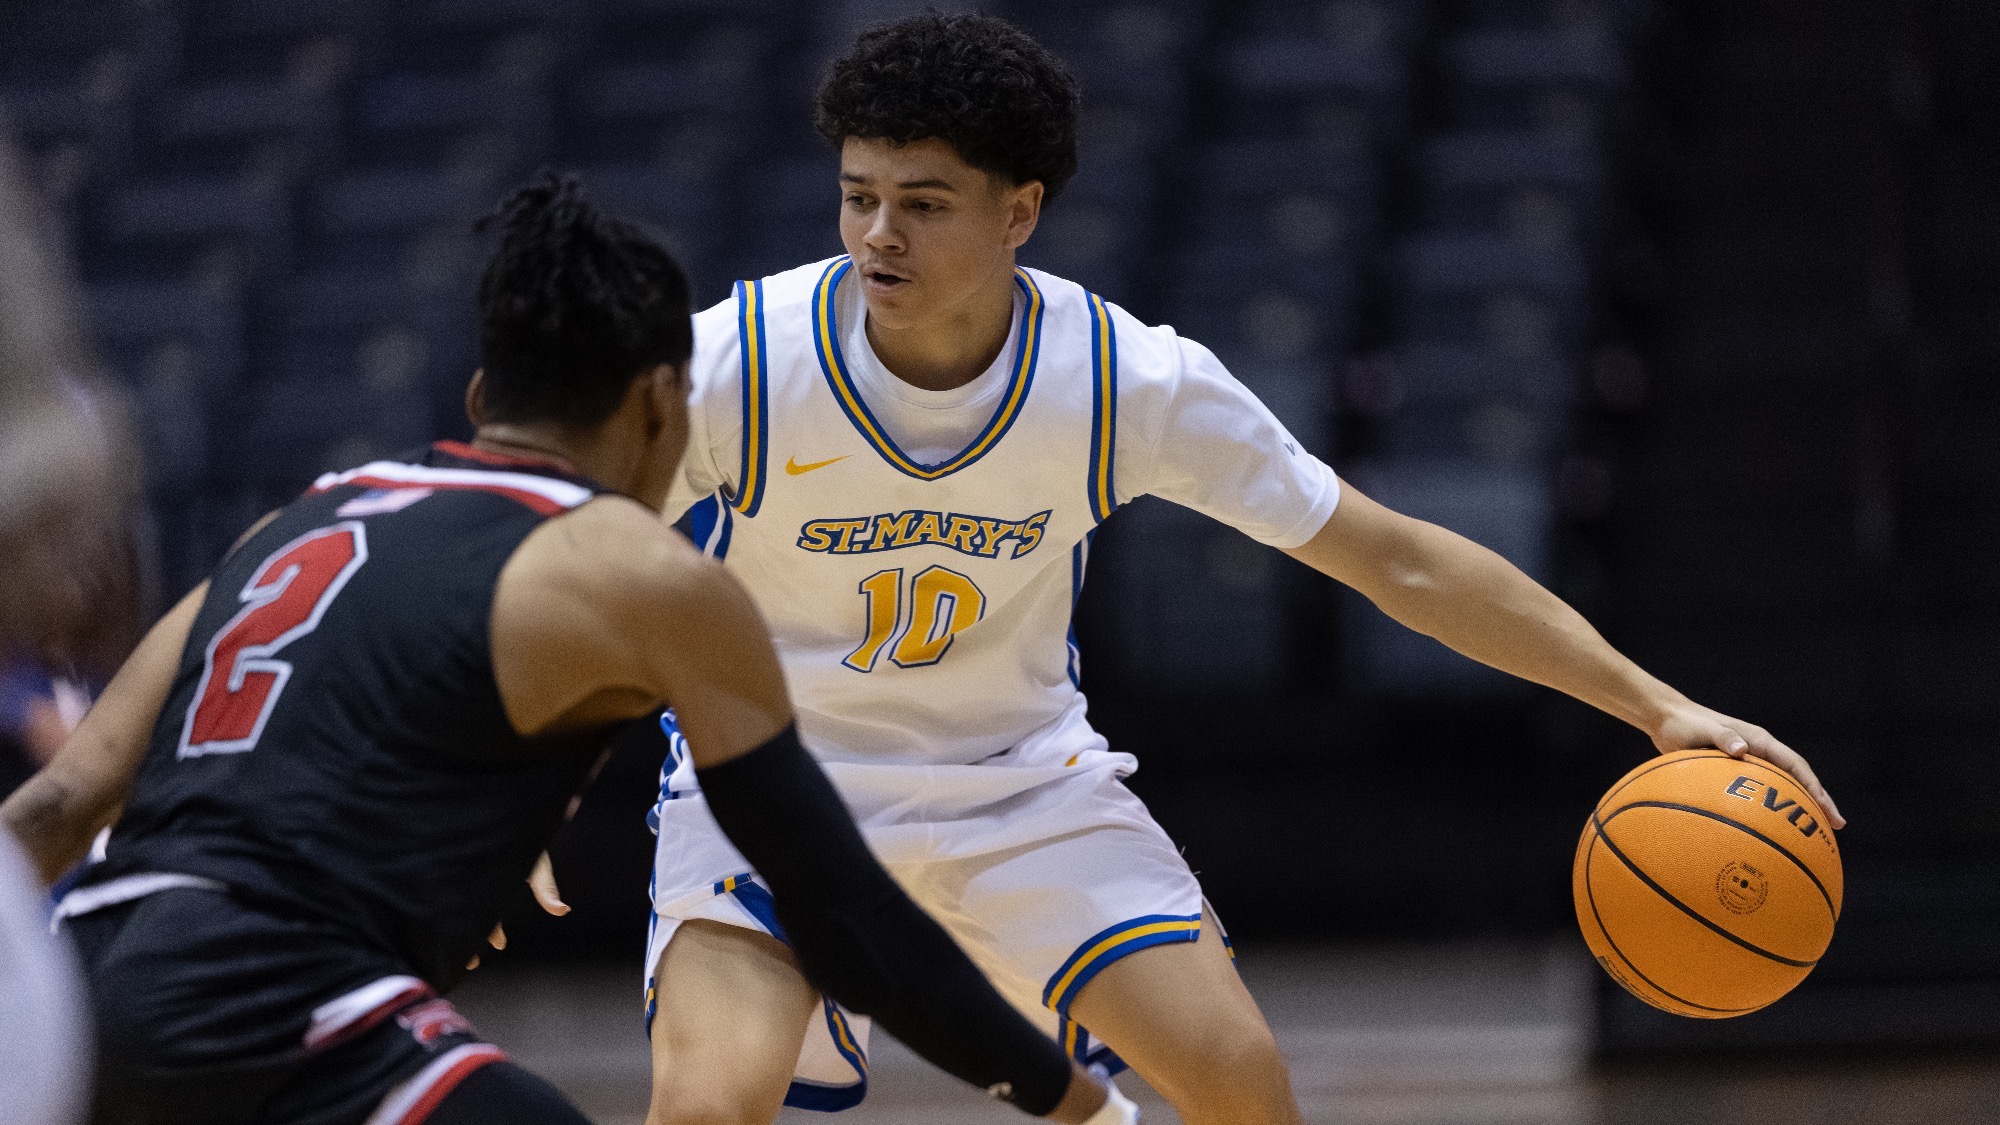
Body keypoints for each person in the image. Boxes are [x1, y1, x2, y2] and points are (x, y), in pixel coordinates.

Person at [618, 12, 1848, 1125]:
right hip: (773, 796)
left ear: (1018, 211)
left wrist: (1656, 708)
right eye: (858, 195)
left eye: (923, 202)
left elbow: (1396, 562)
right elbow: (551, 560)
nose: (878, 235)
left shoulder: (1120, 381)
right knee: (704, 1112)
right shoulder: (732, 364)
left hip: (1017, 792)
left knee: (1242, 1089)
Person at [1, 174, 1134, 1125]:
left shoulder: (293, 523)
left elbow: (60, 804)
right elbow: (839, 910)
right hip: (287, 1004)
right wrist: (1066, 1097)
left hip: (90, 995)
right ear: (657, 403)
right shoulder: (637, 569)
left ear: (484, 395)